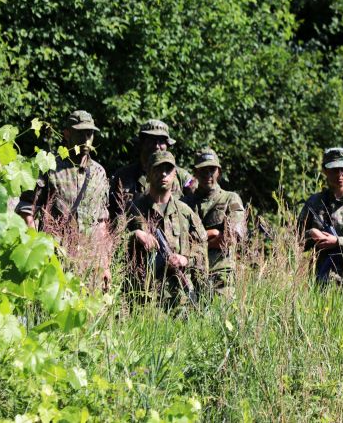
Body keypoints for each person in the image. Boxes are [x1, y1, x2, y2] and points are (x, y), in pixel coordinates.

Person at [15, 110, 111, 283]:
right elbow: (26, 211)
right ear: (67, 134)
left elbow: (101, 222)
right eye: (80, 133)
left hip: (90, 267)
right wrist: (38, 251)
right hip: (55, 263)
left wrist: (104, 265)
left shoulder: (99, 173)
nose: (86, 139)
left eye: (89, 133)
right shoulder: (49, 166)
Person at [128, 151, 208, 308]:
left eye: (168, 169)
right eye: (158, 169)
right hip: (144, 300)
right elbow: (113, 244)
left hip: (179, 299)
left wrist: (185, 259)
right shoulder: (134, 209)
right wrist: (135, 235)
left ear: (175, 174)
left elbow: (202, 248)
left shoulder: (185, 212)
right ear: (148, 174)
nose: (163, 174)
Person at [182, 147, 245, 298]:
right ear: (195, 173)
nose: (208, 174)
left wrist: (197, 244)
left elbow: (231, 237)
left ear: (219, 172)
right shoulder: (184, 203)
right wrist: (212, 234)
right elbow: (177, 240)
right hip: (189, 275)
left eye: (212, 169)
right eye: (203, 170)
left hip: (220, 275)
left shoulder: (230, 199)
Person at [297, 147, 343, 286]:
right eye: (334, 169)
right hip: (321, 279)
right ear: (325, 170)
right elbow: (296, 240)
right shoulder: (314, 202)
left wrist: (337, 241)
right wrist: (311, 234)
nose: (339, 174)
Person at [109, 119, 194, 218]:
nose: (157, 146)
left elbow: (199, 200)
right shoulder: (123, 176)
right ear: (141, 143)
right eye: (151, 140)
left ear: (167, 145)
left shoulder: (182, 176)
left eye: (161, 141)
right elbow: (111, 212)